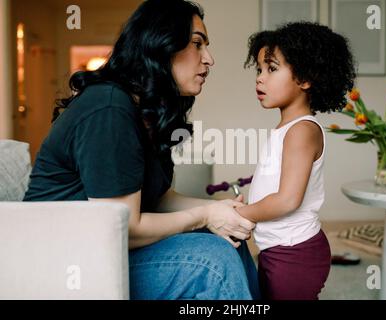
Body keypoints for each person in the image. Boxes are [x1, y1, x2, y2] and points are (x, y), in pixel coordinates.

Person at [23, 0, 259, 300]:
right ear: (161, 45)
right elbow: (123, 226)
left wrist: (220, 210)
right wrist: (204, 215)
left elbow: (159, 197)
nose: (209, 59)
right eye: (197, 44)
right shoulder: (108, 107)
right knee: (212, 262)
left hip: (101, 249)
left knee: (228, 242)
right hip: (62, 259)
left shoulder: (146, 111)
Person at [237, 22, 356, 300]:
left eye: (272, 69)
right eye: (259, 70)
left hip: (295, 252)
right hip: (278, 248)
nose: (260, 78)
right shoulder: (288, 129)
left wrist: (239, 215)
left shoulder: (302, 130)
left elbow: (288, 200)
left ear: (304, 78)